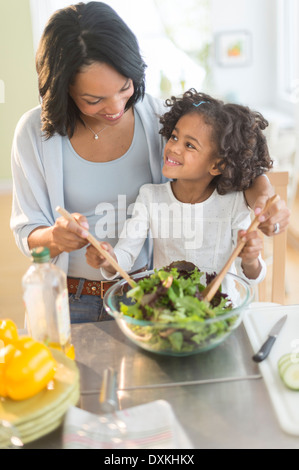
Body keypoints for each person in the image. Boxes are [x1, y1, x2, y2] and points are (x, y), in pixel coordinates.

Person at [10, 2, 289, 324]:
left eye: (125, 87)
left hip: (151, 293)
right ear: (63, 89)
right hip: (73, 297)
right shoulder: (33, 133)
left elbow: (235, 154)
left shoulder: (165, 123)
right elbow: (27, 230)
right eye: (93, 100)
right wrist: (55, 238)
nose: (116, 107)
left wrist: (265, 197)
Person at [85, 89, 272, 296]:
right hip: (169, 312)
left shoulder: (234, 203)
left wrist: (250, 259)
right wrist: (109, 258)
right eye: (174, 137)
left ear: (217, 165)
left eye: (190, 145)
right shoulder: (150, 197)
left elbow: (251, 277)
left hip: (220, 315)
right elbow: (126, 254)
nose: (173, 147)